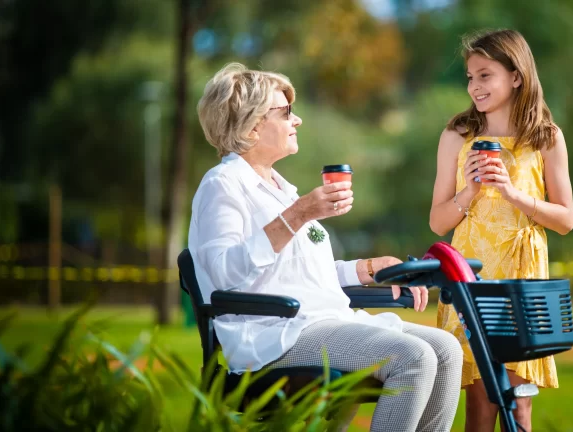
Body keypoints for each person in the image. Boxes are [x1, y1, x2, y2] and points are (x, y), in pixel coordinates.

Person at [188, 62, 463, 432]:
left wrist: (366, 269)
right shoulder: (222, 185)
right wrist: (299, 214)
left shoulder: (280, 189)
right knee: (412, 357)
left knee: (446, 350)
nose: (296, 120)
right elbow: (223, 273)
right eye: (285, 112)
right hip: (274, 335)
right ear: (252, 126)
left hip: (320, 320)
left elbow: (302, 274)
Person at [429, 29, 573, 432]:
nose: (475, 86)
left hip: (520, 281)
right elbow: (439, 222)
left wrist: (512, 193)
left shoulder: (545, 137)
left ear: (516, 75)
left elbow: (565, 219)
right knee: (479, 408)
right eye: (470, 77)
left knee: (518, 408)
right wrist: (470, 190)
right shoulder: (457, 136)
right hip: (471, 278)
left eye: (485, 75)